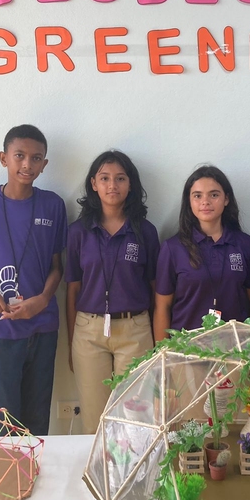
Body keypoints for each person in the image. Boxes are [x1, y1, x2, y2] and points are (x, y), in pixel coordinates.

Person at [0, 124, 67, 435]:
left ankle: (37, 479)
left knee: (36, 418)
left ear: (44, 165)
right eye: (19, 156)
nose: (27, 165)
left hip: (42, 324)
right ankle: (6, 482)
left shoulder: (53, 205)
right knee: (4, 419)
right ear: (4, 158)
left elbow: (57, 266)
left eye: (36, 158)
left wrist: (43, 300)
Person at [66, 150, 159, 434]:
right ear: (93, 183)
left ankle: (133, 477)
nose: (112, 185)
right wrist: (72, 340)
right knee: (95, 420)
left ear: (131, 185)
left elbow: (156, 290)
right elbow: (72, 289)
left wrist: (155, 340)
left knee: (134, 420)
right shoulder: (78, 232)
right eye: (104, 178)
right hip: (89, 333)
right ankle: (98, 479)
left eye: (120, 178)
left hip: (135, 331)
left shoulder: (145, 231)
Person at [154, 166, 250, 341]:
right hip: (185, 351)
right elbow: (163, 306)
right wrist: (163, 355)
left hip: (234, 350)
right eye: (197, 196)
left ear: (226, 199)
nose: (205, 202)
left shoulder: (244, 244)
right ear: (189, 201)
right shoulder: (173, 247)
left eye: (214, 195)